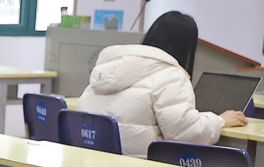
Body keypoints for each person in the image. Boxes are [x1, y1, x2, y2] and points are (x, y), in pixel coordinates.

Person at [78, 11, 247, 157]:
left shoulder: (108, 68)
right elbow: (186, 135)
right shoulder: (171, 75)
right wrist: (219, 120)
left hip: (92, 164)